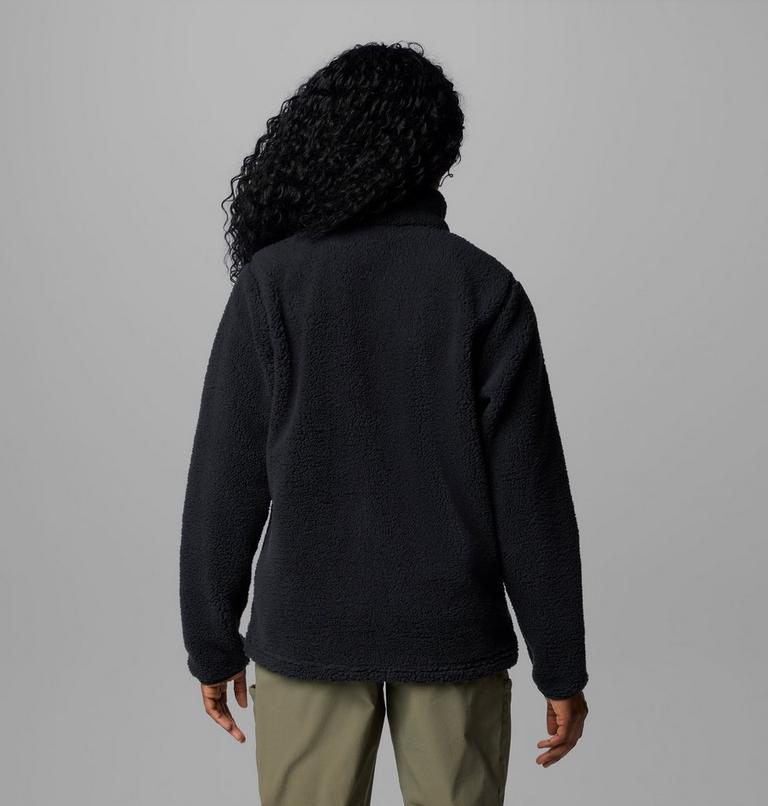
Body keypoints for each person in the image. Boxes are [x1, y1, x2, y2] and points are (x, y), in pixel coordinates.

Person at [179, 40, 588, 806]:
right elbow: (530, 499)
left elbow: (223, 484)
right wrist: (560, 665)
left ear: (319, 137)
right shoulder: (483, 287)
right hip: (452, 632)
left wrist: (212, 642)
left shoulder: (274, 284)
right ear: (439, 154)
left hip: (308, 630)